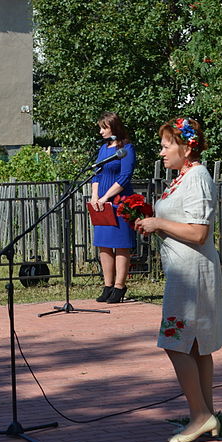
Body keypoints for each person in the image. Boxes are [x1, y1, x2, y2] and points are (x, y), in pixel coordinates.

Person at [135, 118, 222, 442]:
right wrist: (152, 222)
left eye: (166, 145)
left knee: (175, 343)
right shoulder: (183, 178)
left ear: (186, 147)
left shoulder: (198, 178)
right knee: (195, 346)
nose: (161, 152)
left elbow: (199, 233)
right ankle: (204, 415)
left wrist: (158, 222)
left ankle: (201, 414)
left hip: (192, 276)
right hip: (183, 272)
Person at [88, 112, 136, 304]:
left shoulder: (127, 148)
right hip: (101, 202)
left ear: (114, 128)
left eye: (104, 128)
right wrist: (94, 197)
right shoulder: (103, 149)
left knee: (121, 244)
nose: (100, 131)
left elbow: (125, 176)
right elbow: (97, 174)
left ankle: (119, 286)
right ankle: (107, 285)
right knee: (104, 244)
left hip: (120, 201)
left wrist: (107, 197)